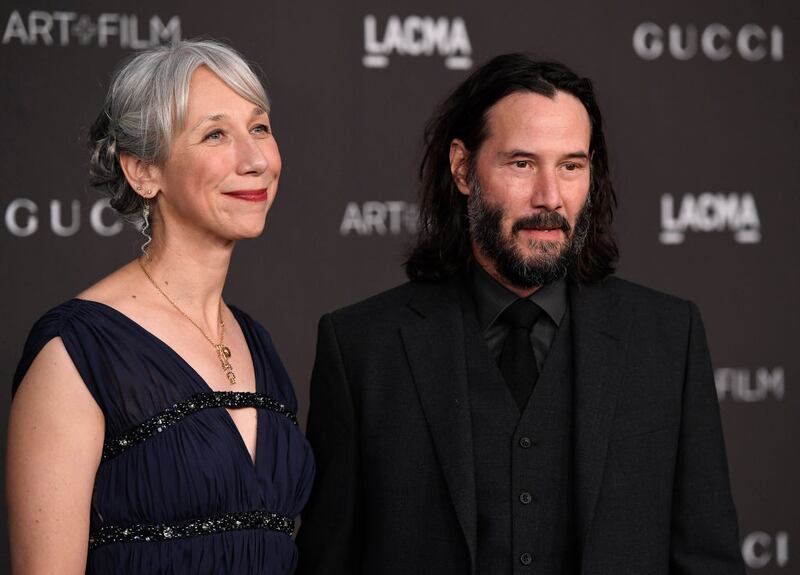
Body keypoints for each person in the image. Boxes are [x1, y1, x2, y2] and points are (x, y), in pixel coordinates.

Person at [296, 54, 744, 574]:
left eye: (571, 166)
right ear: (463, 168)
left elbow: (709, 560)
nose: (549, 197)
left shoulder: (668, 338)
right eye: (522, 163)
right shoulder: (361, 348)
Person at [6, 40, 314, 574]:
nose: (256, 159)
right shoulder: (77, 350)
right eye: (216, 133)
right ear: (144, 172)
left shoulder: (257, 344)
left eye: (260, 127)